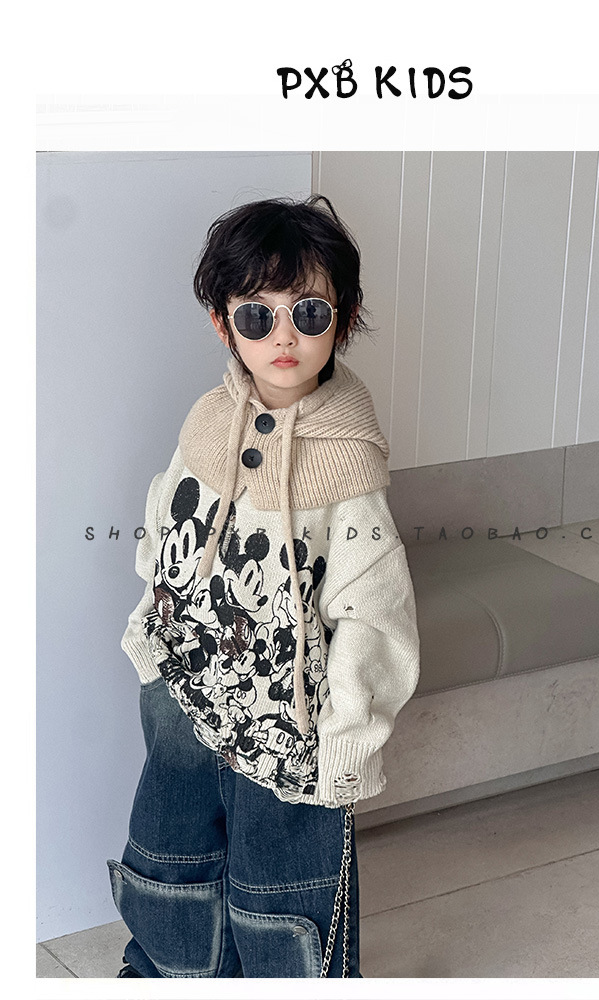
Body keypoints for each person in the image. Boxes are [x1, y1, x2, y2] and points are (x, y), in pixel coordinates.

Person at [107, 195, 421, 978]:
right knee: (173, 860)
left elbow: (375, 611)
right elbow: (166, 528)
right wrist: (150, 638)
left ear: (343, 321)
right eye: (258, 315)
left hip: (292, 731)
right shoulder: (206, 423)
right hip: (183, 696)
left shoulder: (348, 464)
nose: (284, 336)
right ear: (224, 324)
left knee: (282, 898)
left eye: (308, 312)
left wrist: (347, 737)